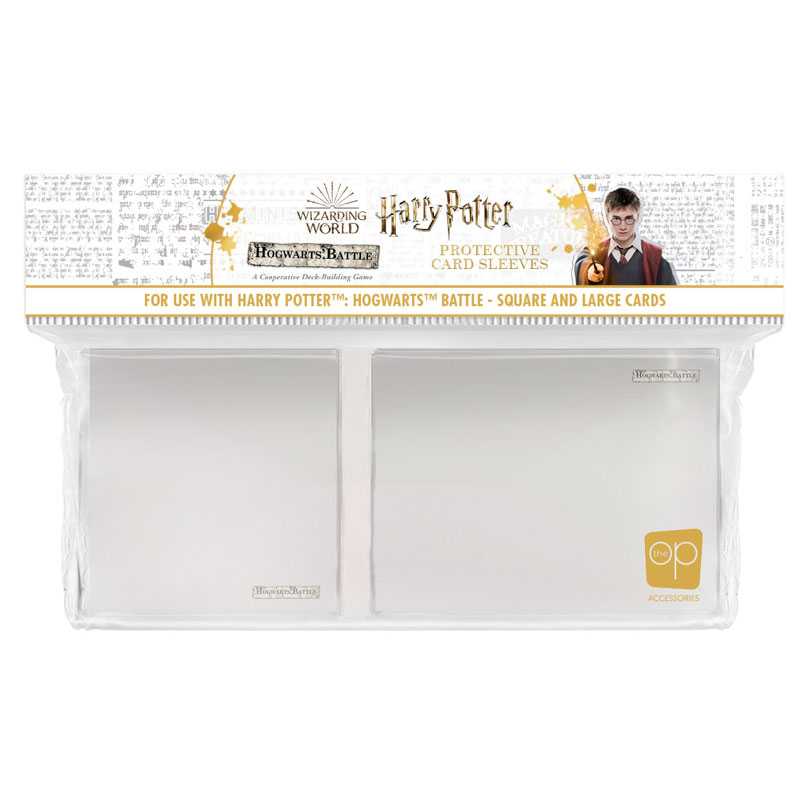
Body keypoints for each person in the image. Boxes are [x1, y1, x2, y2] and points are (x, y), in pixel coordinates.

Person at [574, 187, 677, 285]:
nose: (623, 227)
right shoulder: (597, 251)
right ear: (607, 218)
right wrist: (589, 269)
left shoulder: (655, 258)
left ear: (638, 217)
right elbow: (584, 258)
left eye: (629, 219)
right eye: (616, 219)